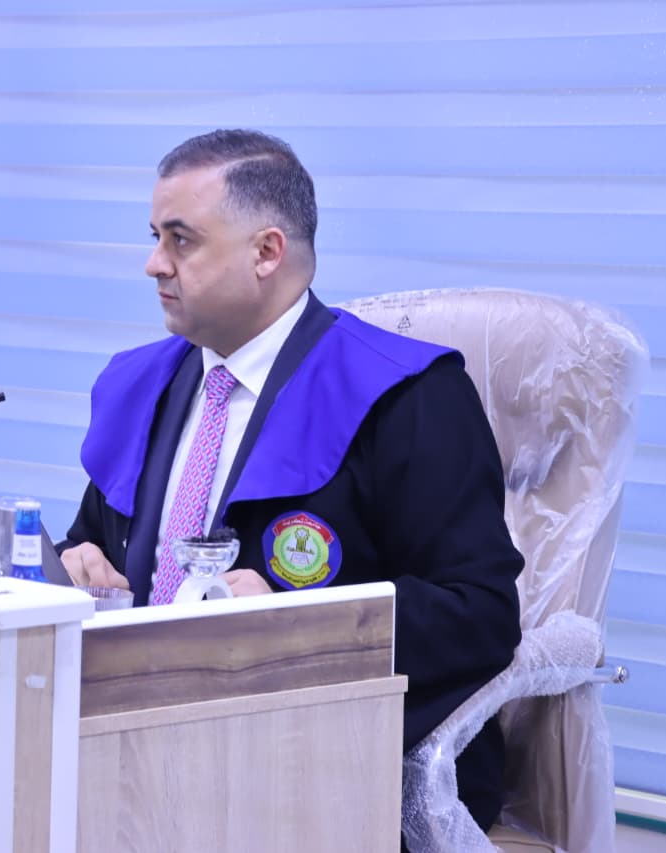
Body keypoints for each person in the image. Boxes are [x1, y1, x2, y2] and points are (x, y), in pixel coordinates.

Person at [58, 129, 523, 834]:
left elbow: (480, 612)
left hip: (322, 766)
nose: (154, 264)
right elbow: (91, 542)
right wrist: (78, 564)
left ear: (267, 252)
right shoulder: (139, 384)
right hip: (136, 747)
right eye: (155, 237)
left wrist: (298, 620)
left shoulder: (406, 395)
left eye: (181, 240)